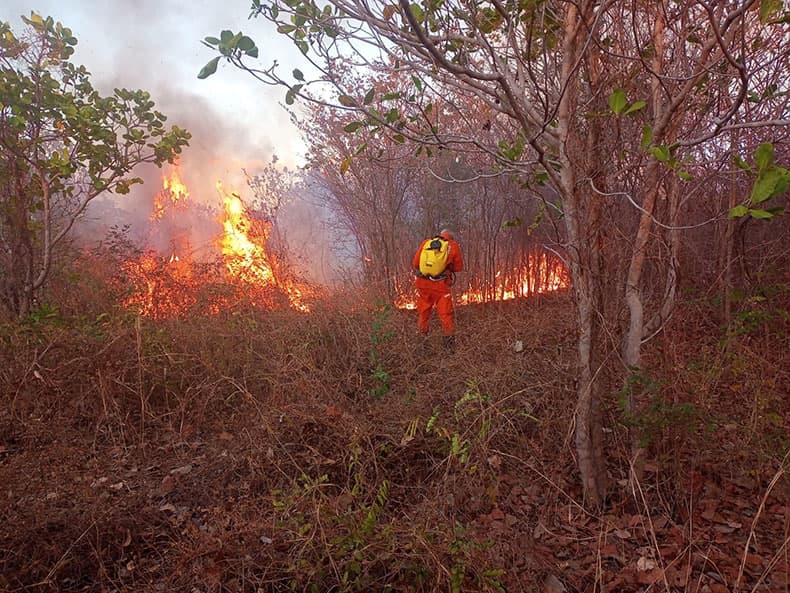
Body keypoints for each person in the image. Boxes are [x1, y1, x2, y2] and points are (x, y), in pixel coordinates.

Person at [412, 228, 464, 345]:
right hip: (441, 286)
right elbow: (459, 267)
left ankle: (422, 343)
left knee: (423, 313)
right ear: (451, 237)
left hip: (423, 284)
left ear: (440, 235)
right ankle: (449, 347)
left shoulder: (426, 243)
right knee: (445, 315)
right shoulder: (453, 245)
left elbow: (415, 263)